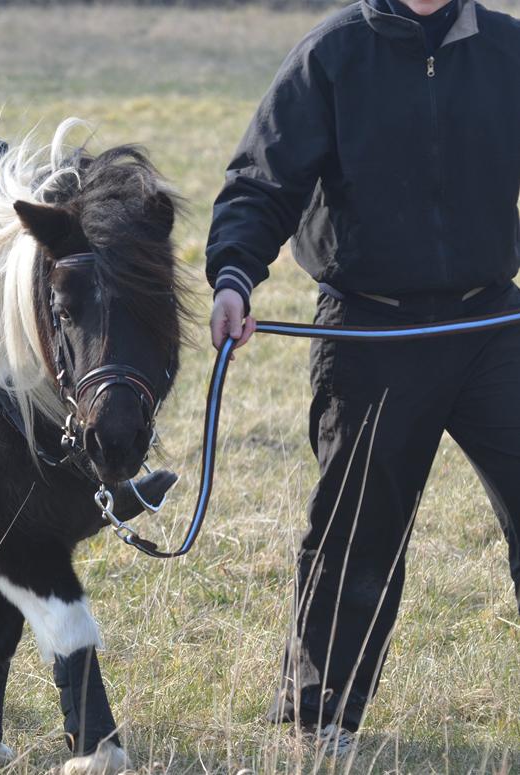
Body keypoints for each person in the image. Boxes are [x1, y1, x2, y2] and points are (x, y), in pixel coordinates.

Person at [205, 0, 520, 755]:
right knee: (356, 528)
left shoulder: (507, 48)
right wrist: (234, 278)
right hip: (371, 328)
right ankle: (323, 719)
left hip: (491, 325)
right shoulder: (331, 55)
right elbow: (260, 182)